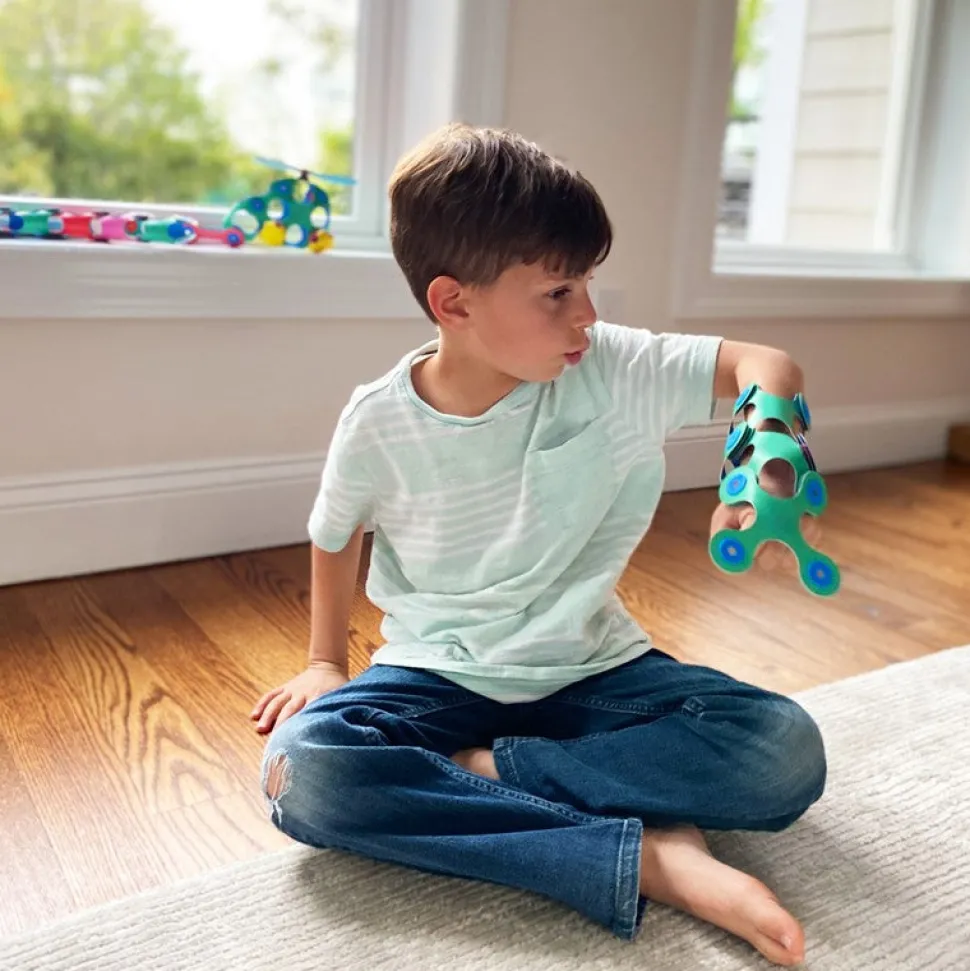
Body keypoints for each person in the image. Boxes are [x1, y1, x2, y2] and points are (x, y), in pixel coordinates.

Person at [250, 123, 826, 967]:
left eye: (585, 281)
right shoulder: (378, 419)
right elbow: (335, 533)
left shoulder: (611, 365)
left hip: (594, 667)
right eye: (557, 291)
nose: (587, 312)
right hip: (437, 671)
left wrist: (764, 465)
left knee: (784, 751)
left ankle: (483, 772)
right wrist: (324, 663)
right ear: (454, 303)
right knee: (307, 771)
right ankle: (648, 856)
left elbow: (765, 364)